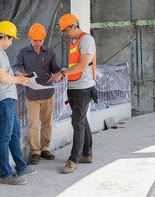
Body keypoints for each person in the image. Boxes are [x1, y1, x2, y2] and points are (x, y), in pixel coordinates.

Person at [0, 21, 37, 185]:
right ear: (5, 37)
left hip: (4, 99)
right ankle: (6, 174)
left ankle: (21, 166)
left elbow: (5, 74)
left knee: (14, 134)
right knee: (4, 137)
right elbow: (2, 77)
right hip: (1, 99)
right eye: (11, 39)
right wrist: (19, 79)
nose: (11, 42)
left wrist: (18, 75)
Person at [49, 14, 97, 174]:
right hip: (74, 87)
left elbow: (83, 64)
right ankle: (87, 154)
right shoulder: (73, 41)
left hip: (83, 89)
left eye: (67, 30)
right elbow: (75, 65)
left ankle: (74, 160)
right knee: (82, 121)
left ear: (75, 26)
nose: (66, 33)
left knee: (77, 123)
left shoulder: (86, 40)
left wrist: (62, 73)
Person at [12, 23, 61, 164]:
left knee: (47, 122)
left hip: (48, 93)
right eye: (35, 40)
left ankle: (45, 148)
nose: (37, 43)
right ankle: (35, 152)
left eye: (40, 40)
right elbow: (15, 66)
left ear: (44, 39)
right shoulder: (22, 52)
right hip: (31, 93)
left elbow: (56, 69)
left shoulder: (50, 53)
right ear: (30, 38)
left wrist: (59, 74)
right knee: (33, 123)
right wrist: (19, 73)